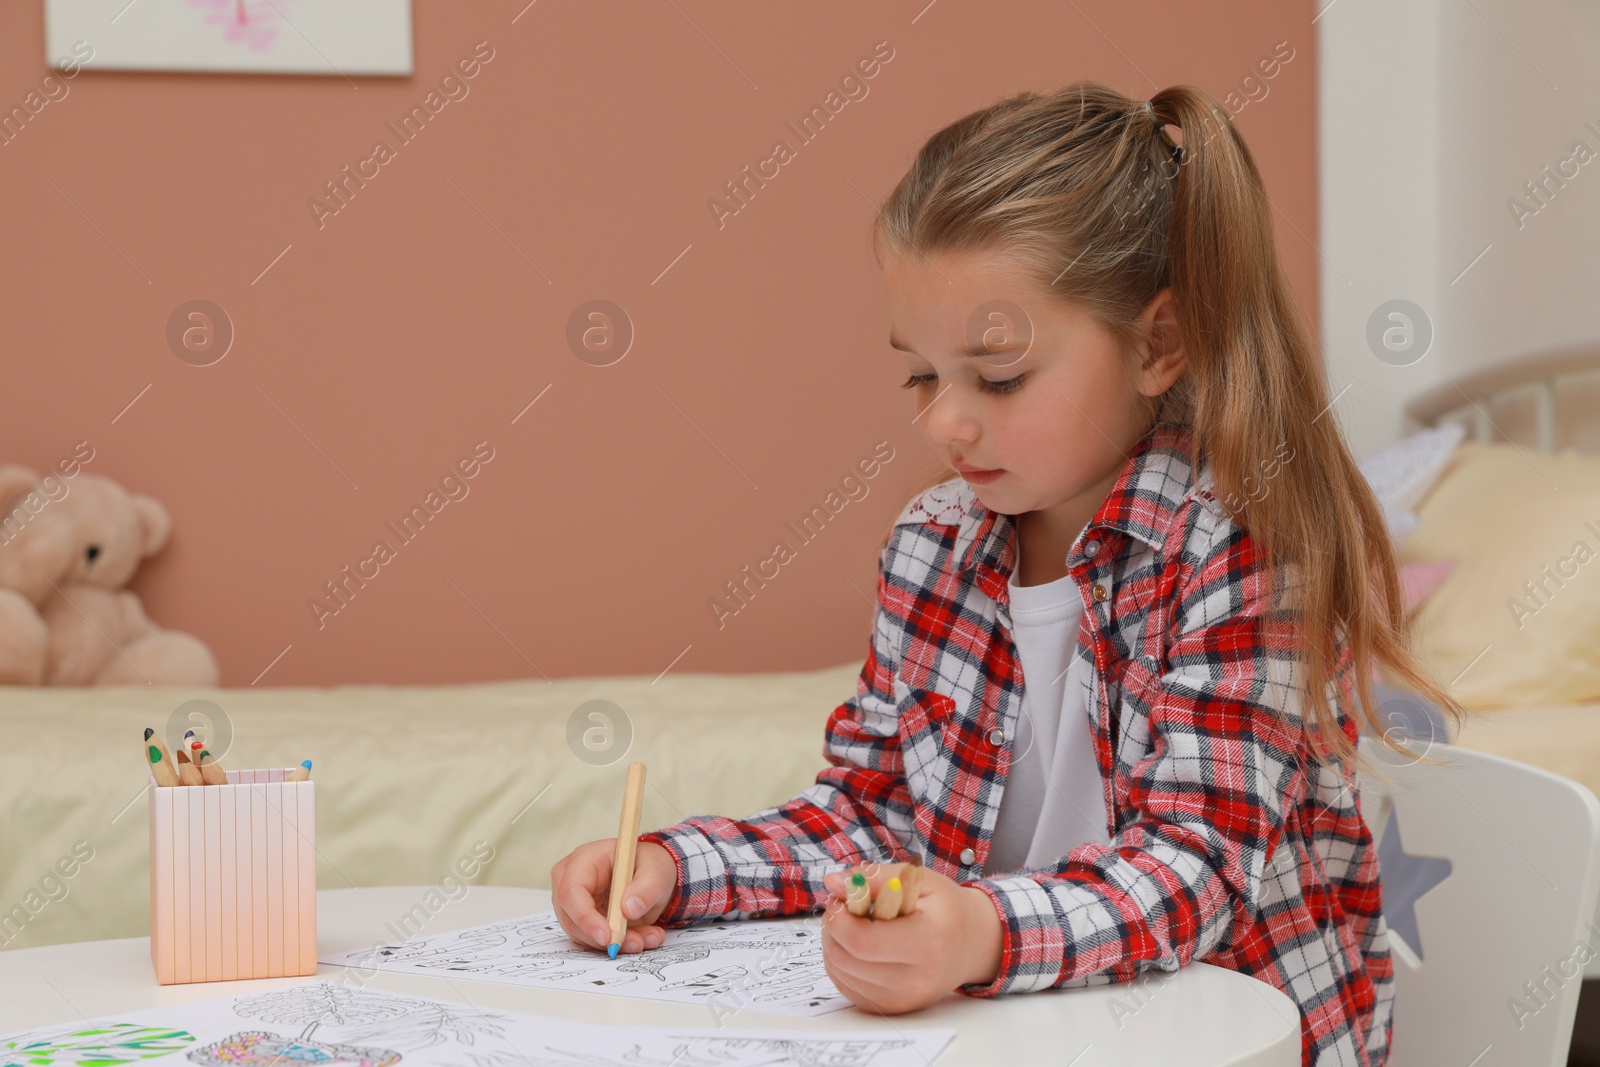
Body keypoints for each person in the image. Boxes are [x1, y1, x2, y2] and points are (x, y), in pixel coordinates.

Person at [550, 81, 1461, 1067]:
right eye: (920, 374)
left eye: (996, 376)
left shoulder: (1238, 547)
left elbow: (1198, 870)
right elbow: (872, 814)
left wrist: (976, 930)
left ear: (1157, 345)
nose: (942, 420)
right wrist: (675, 867)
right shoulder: (931, 544)